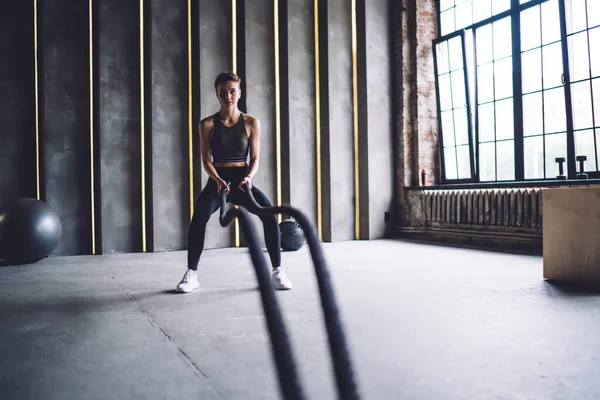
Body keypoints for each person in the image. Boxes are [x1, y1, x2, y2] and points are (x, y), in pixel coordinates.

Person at [176, 72, 292, 293]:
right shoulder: (207, 124)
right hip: (217, 181)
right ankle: (192, 274)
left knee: (268, 215)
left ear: (239, 93)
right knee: (199, 217)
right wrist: (217, 179)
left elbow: (255, 158)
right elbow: (206, 160)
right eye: (222, 92)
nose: (227, 95)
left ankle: (278, 271)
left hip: (241, 180)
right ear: (217, 94)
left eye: (232, 91)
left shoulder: (251, 122)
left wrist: (248, 177)